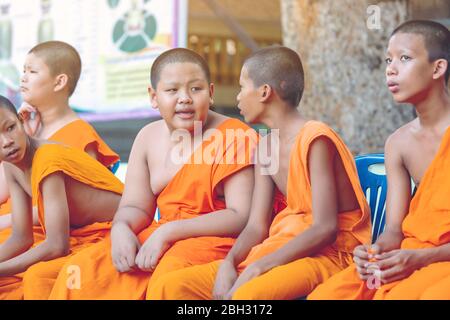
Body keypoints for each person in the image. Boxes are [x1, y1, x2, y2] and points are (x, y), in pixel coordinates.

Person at [147, 46, 371, 300]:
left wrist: (259, 267)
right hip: (280, 248)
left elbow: (325, 228)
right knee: (173, 287)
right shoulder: (265, 146)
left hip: (329, 255)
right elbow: (256, 225)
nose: (238, 98)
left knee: (246, 297)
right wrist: (230, 264)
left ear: (264, 92)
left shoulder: (315, 138)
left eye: (243, 88)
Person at [48, 48, 258, 299]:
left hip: (213, 240)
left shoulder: (235, 136)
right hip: (158, 238)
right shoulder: (148, 137)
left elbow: (240, 216)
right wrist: (122, 228)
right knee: (82, 271)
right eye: (172, 90)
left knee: (167, 281)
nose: (185, 98)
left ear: (211, 93)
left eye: (196, 89)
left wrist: (169, 233)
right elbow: (136, 206)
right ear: (153, 96)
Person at [309, 20, 450, 300]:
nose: (391, 69)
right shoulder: (398, 143)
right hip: (409, 252)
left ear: (438, 68)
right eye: (388, 59)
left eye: (405, 58)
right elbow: (394, 230)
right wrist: (374, 252)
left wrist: (420, 259)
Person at [0, 95, 123, 299]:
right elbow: (21, 237)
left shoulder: (47, 159)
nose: (7, 142)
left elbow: (57, 245)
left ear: (22, 122)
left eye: (10, 127)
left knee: (36, 277)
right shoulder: (11, 167)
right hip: (82, 236)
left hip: (119, 231)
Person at [0, 41, 119, 228]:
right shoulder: (27, 130)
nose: (23, 78)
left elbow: (77, 207)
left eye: (32, 72)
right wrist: (25, 135)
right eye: (23, 71)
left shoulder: (80, 134)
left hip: (36, 228)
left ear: (59, 82)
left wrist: (6, 221)